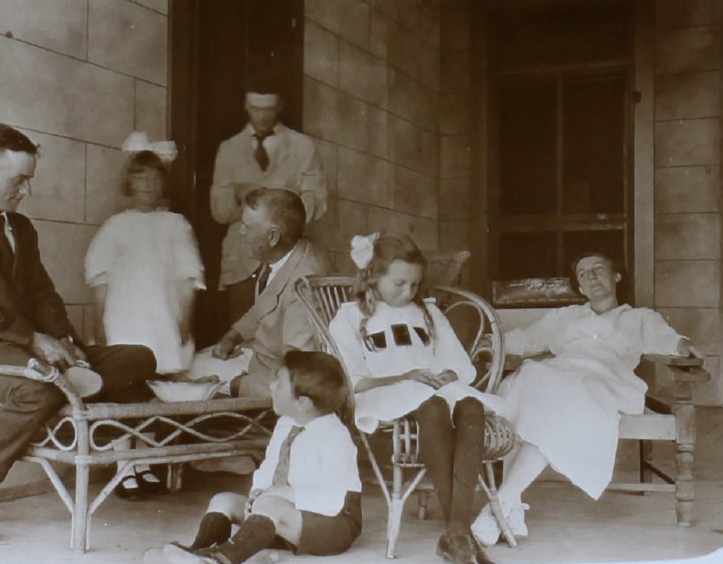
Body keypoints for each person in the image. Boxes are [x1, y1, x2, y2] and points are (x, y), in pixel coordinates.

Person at [0, 123, 157, 542]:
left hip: (29, 349)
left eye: (29, 180)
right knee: (41, 385)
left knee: (141, 356)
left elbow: (43, 294)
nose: (26, 190)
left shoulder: (21, 228)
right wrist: (32, 340)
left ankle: (70, 383)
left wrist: (68, 343)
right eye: (19, 180)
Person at [470, 252, 702, 547]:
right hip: (559, 377)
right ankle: (508, 508)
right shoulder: (566, 316)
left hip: (605, 383)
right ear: (579, 287)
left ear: (617, 276)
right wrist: (492, 341)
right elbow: (525, 340)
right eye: (583, 274)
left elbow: (667, 338)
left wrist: (683, 345)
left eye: (598, 269)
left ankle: (500, 505)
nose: (591, 277)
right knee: (529, 378)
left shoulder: (639, 318)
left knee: (550, 395)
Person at [329, 234, 505, 564]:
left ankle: (455, 532)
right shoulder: (349, 318)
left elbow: (459, 363)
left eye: (414, 284)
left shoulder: (427, 312)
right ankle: (461, 536)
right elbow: (351, 380)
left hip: (432, 389)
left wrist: (447, 375)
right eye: (398, 283)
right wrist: (405, 376)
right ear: (372, 276)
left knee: (471, 405)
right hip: (384, 393)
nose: (408, 292)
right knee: (434, 406)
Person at [157, 351, 362, 564]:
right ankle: (197, 552)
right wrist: (257, 491)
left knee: (271, 504)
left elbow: (331, 501)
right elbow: (269, 466)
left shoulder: (335, 436)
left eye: (279, 384)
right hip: (285, 517)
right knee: (223, 500)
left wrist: (282, 495)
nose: (271, 387)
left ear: (303, 403)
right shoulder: (286, 423)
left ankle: (221, 560)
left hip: (334, 524)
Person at [84, 140, 206, 499]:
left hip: (161, 320)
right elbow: (99, 280)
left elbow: (188, 278)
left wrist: (183, 322)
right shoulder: (115, 226)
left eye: (154, 178)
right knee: (126, 392)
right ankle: (126, 466)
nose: (147, 185)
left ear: (163, 183)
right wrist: (100, 325)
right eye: (140, 177)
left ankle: (147, 462)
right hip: (125, 319)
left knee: (155, 392)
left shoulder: (175, 225)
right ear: (130, 183)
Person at [210, 75, 327, 324]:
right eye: (255, 109)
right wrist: (239, 194)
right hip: (241, 260)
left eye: (269, 109)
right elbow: (218, 211)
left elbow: (317, 200)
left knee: (287, 328)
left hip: (287, 257)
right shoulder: (228, 149)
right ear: (245, 104)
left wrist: (280, 205)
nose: (262, 117)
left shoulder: (302, 146)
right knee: (241, 334)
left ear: (280, 106)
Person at [192, 188, 328, 398]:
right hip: (263, 361)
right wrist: (232, 337)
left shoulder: (303, 286)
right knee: (194, 364)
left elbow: (300, 375)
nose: (241, 232)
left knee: (187, 377)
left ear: (272, 236)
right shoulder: (287, 253)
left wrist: (238, 385)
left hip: (275, 379)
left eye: (247, 226)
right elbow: (263, 308)